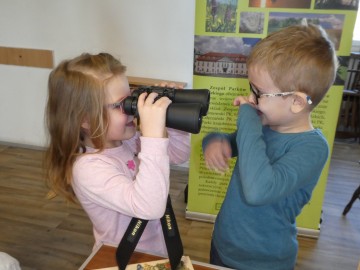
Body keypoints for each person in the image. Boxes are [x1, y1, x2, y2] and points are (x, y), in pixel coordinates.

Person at [202, 23, 338, 270]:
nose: (251, 98)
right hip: (223, 245)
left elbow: (258, 191)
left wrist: (247, 116)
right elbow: (233, 143)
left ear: (296, 102)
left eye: (259, 91)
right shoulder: (265, 124)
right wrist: (215, 141)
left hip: (263, 261)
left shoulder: (312, 149)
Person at [44, 52, 190, 256]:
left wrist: (171, 122)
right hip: (122, 258)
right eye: (120, 105)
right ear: (85, 119)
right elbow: (149, 207)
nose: (132, 109)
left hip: (156, 250)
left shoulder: (127, 139)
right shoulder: (89, 168)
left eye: (130, 97)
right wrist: (152, 137)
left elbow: (178, 155)